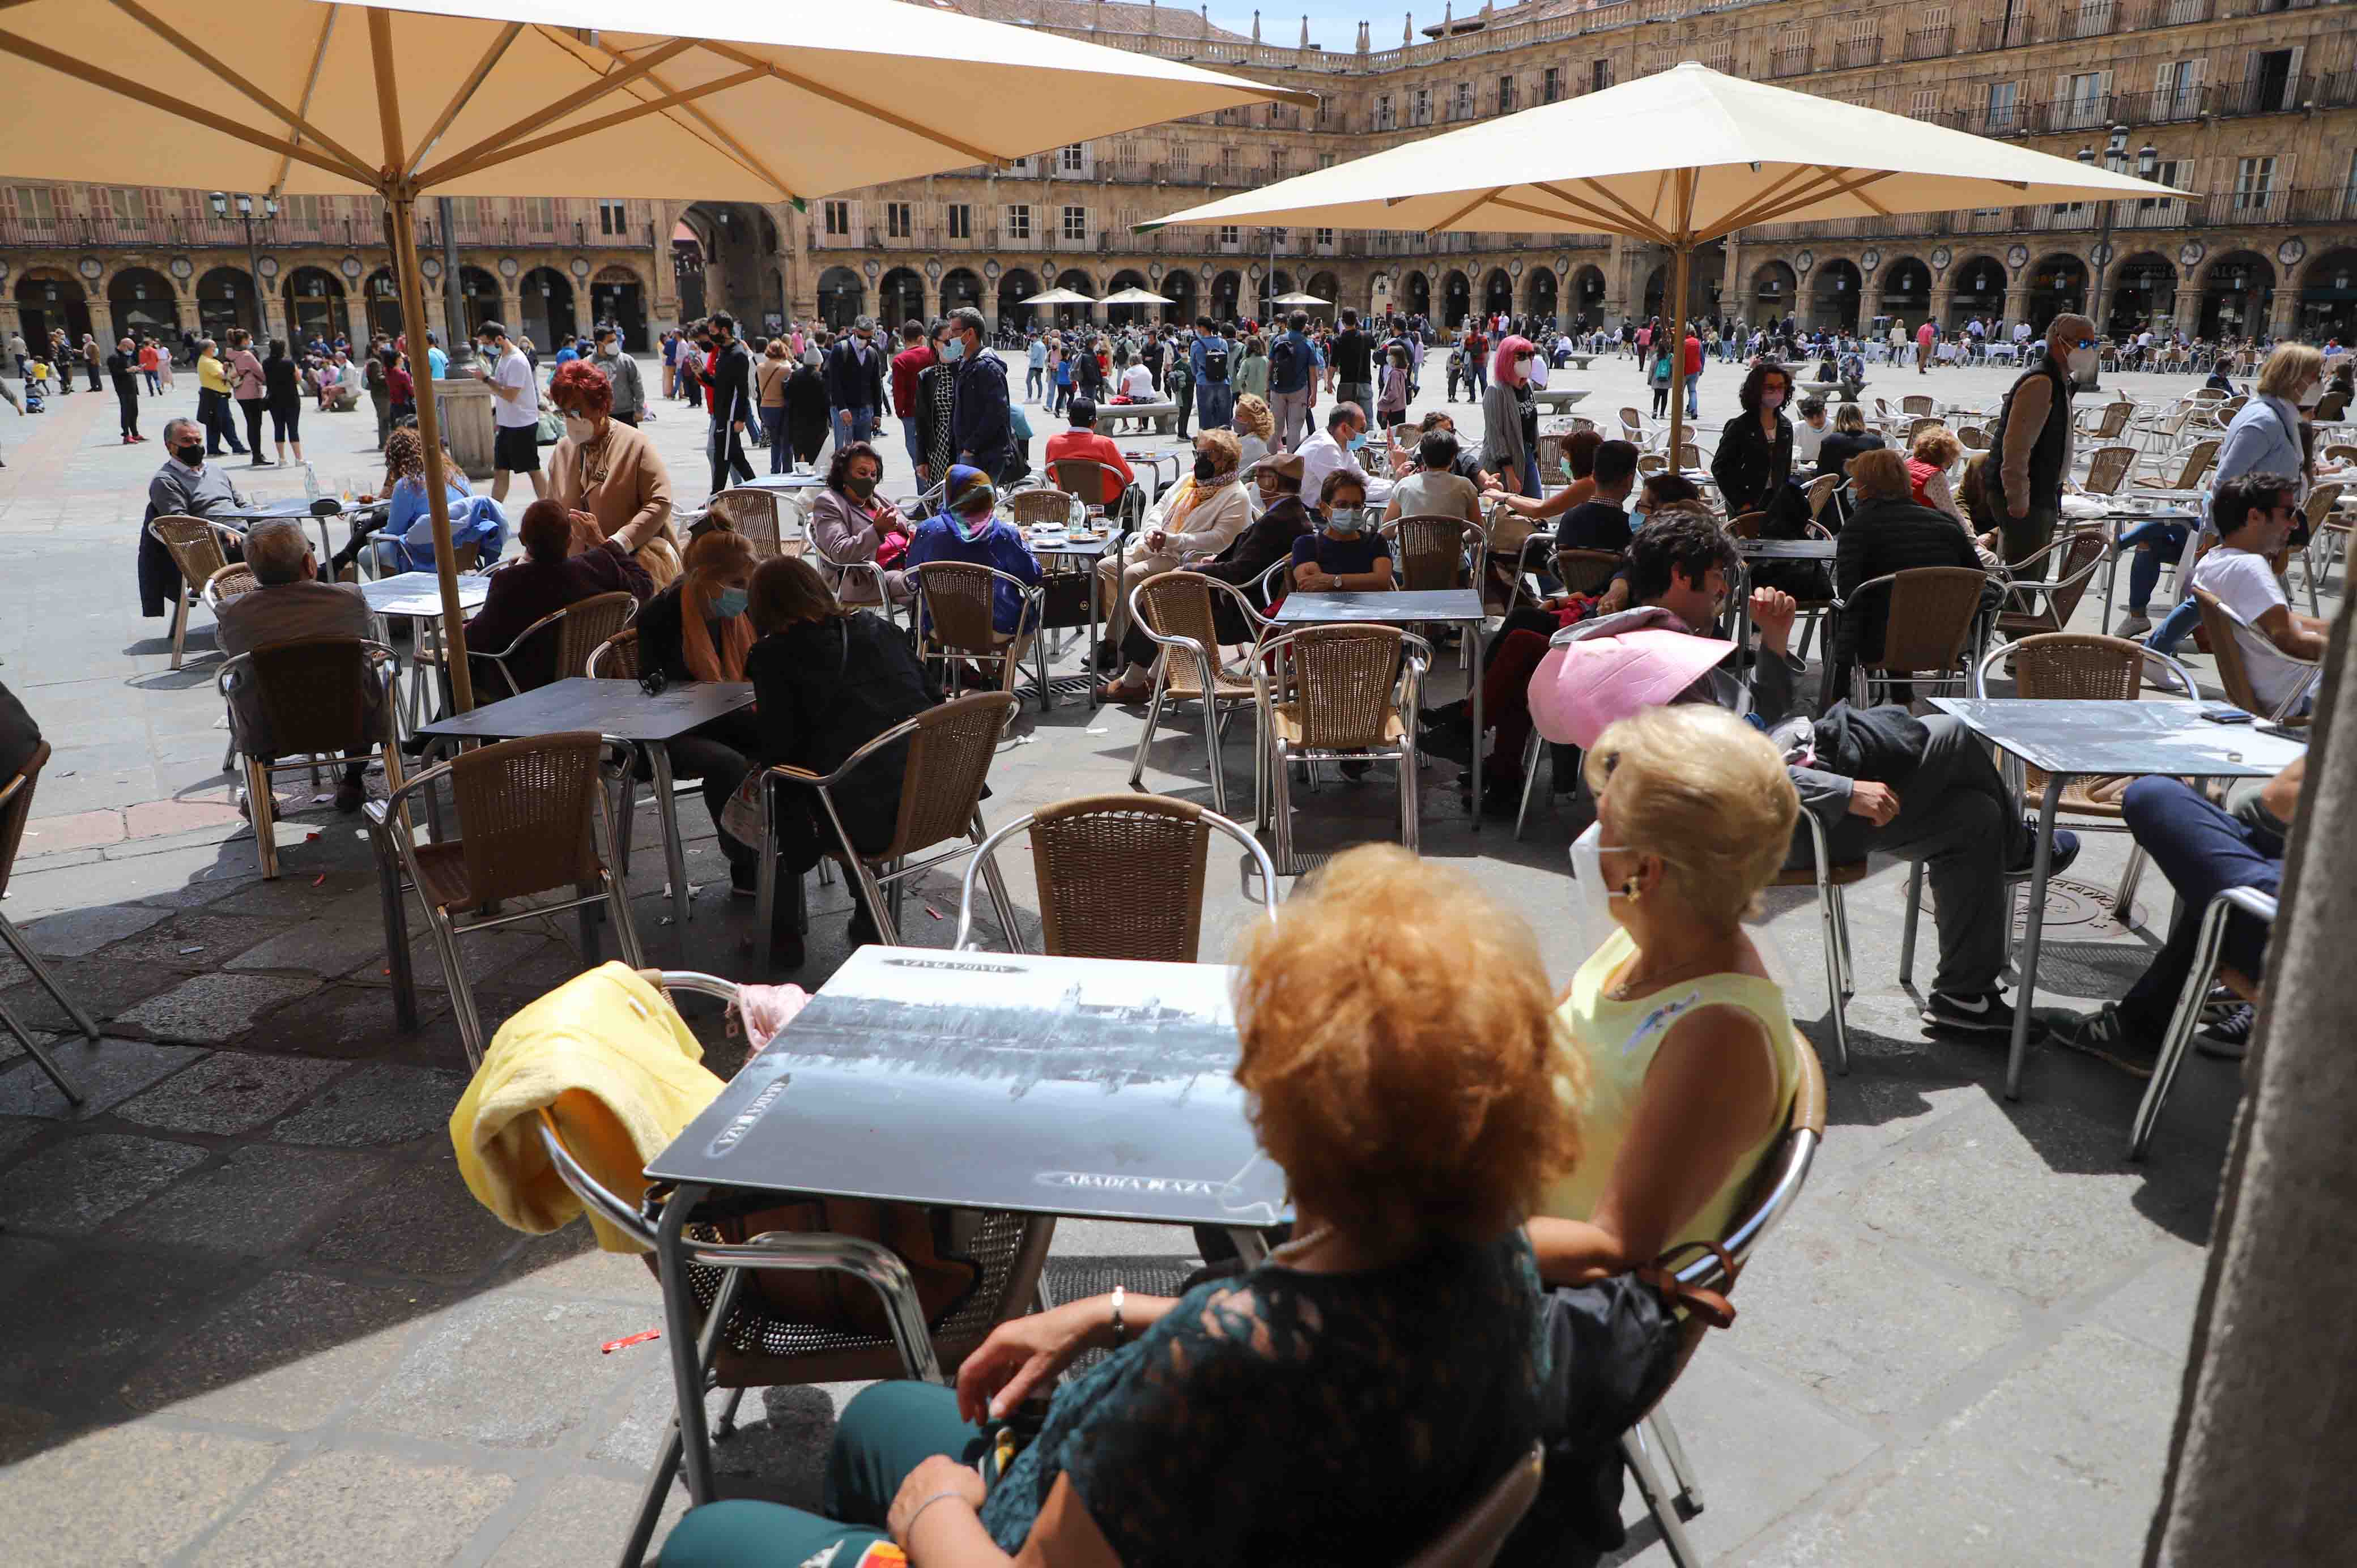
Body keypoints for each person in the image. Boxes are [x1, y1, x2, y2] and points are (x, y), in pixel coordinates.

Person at [658, 842, 1575, 1568]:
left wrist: (934, 1505)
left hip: (1015, 1534)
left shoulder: (1204, 1374)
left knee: (710, 1538)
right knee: (877, 1417)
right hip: (1247, 1507)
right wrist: (1113, 1308)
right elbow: (1342, 1330)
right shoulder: (1494, 1263)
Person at [1547, 512, 2072, 1037]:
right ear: (1683, 575)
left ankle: (1966, 998)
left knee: (1971, 818)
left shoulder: (1659, 642)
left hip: (1775, 802)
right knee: (1952, 735)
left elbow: (1753, 726)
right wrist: (1842, 790)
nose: (1724, 594)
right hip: (1764, 830)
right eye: (1716, 582)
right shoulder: (1652, 663)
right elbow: (1717, 777)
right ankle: (2023, 849)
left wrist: (1774, 641)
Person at [1525, 705, 1802, 1281]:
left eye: (1603, 825)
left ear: (1644, 872)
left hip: (1537, 1304)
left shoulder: (1715, 1036)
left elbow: (1610, 1247)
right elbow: (1529, 1047)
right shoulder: (1639, 945)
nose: (1591, 839)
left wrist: (1423, 1240)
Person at [2053, 759, 2303, 1075]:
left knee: (2151, 794)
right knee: (2247, 833)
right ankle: (2139, 1025)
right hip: (2316, 911)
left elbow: (2278, 798)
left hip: (2302, 937)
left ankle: (2142, 1027)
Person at [743, 556, 935, 965]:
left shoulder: (775, 656)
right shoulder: (882, 629)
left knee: (776, 790)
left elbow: (780, 750)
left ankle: (782, 936)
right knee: (844, 773)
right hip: (935, 797)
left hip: (865, 818)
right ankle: (867, 908)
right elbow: (934, 702)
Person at [2143, 343, 2323, 655]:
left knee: (2222, 597)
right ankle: (2156, 650)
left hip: (2265, 526)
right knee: (2218, 597)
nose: (2321, 382)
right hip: (2246, 525)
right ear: (2294, 378)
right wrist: (2214, 531)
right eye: (2315, 376)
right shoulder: (2263, 421)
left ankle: (2158, 651)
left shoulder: (2279, 417)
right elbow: (2226, 478)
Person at [1098, 449, 1316, 703]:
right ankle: (1157, 677)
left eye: (1261, 477)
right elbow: (1248, 563)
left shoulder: (1277, 520)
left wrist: (1196, 570)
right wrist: (1214, 562)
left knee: (1161, 597)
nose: (1257, 482)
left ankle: (1133, 683)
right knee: (1172, 591)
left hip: (1241, 613)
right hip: (1248, 601)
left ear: (1272, 483)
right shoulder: (1291, 514)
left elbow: (1239, 573)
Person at [214, 519, 378, 813]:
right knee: (363, 676)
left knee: (243, 686)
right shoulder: (348, 599)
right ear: (310, 563)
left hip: (270, 729)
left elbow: (229, 650)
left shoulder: (234, 613)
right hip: (353, 721)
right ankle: (353, 780)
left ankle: (263, 790)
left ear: (254, 572)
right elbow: (371, 634)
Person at [633, 529, 765, 892]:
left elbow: (758, 665)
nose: (743, 591)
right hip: (672, 729)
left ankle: (778, 850)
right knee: (729, 764)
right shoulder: (660, 616)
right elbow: (658, 691)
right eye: (736, 582)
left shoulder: (741, 613)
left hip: (728, 715)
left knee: (786, 739)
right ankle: (745, 863)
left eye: (747, 583)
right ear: (704, 578)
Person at [462, 498, 652, 693]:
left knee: (457, 662)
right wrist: (602, 542)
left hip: (523, 690)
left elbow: (473, 641)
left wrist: (463, 627)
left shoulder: (509, 582)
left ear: (522, 540)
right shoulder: (599, 566)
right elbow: (645, 584)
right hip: (589, 676)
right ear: (570, 540)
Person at [1830, 449, 1989, 675]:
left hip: (1882, 644)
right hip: (1949, 641)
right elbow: (1978, 578)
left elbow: (1849, 595)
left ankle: (1840, 696)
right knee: (1899, 612)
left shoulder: (1858, 528)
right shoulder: (1946, 525)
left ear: (1868, 486)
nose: (1853, 489)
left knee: (1841, 616)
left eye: (1855, 482)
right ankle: (1904, 699)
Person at [2183, 473, 2328, 718]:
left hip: (2283, 689)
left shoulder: (2214, 561)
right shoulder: (2250, 567)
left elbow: (2282, 622)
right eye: (2288, 513)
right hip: (2302, 694)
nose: (2294, 524)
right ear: (2255, 516)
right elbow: (2290, 640)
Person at [1094, 428, 1249, 651]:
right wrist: (1152, 530)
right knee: (1107, 566)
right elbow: (1159, 507)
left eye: (1206, 455)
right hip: (1156, 548)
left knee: (1131, 575)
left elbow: (1220, 540)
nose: (1199, 460)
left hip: (1188, 559)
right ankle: (1124, 635)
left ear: (1224, 459)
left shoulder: (1236, 495)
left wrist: (1172, 540)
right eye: (1198, 453)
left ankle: (1118, 646)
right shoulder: (1189, 481)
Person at [544, 358, 680, 587]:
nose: (570, 420)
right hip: (579, 575)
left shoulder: (635, 444)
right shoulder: (563, 450)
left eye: (576, 412)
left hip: (633, 574)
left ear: (600, 408)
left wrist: (619, 543)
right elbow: (552, 509)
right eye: (564, 413)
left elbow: (660, 500)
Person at [1983, 312, 2096, 564]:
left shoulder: (2060, 381)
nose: (2091, 350)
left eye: (2094, 344)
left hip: (2043, 492)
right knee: (2025, 576)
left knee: (2034, 570)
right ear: (2060, 341)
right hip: (2029, 496)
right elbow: (2016, 448)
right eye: (2085, 343)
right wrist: (2018, 499)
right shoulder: (2041, 383)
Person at [906, 466, 1043, 671]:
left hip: (941, 626)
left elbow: (913, 578)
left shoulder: (928, 530)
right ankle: (1000, 678)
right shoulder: (1004, 534)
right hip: (1000, 627)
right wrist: (1024, 547)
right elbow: (1032, 576)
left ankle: (989, 678)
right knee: (1031, 606)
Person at [139, 417, 250, 617]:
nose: (195, 446)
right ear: (170, 446)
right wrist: (223, 531)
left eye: (198, 441)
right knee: (275, 556)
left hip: (243, 534)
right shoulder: (165, 480)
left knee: (290, 536)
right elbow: (180, 525)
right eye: (187, 441)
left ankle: (299, 604)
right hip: (212, 547)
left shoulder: (216, 471)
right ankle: (261, 616)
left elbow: (241, 505)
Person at [807, 441, 913, 610]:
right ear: (844, 474)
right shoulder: (829, 503)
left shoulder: (876, 496)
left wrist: (915, 534)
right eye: (862, 473)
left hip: (906, 561)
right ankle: (926, 632)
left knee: (946, 575)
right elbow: (840, 552)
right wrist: (877, 531)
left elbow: (906, 524)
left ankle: (931, 632)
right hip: (867, 576)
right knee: (921, 585)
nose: (869, 479)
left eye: (873, 474)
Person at [1709, 362, 1797, 526]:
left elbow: (1784, 469)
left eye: (1781, 387)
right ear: (1757, 390)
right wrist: (1741, 503)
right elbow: (1720, 467)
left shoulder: (1786, 426)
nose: (1776, 392)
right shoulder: (1739, 426)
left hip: (1775, 504)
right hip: (1747, 503)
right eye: (1770, 387)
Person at [467, 320, 544, 504]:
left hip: (522, 424)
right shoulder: (504, 357)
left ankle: (549, 506)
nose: (486, 347)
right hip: (508, 424)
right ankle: (494, 512)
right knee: (501, 471)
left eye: (487, 343)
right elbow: (503, 386)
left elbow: (510, 394)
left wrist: (486, 379)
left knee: (532, 469)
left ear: (499, 339)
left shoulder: (516, 360)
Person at [942, 307, 1017, 487]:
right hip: (971, 452)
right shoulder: (966, 364)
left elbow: (997, 412)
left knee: (976, 509)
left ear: (970, 334)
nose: (949, 336)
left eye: (954, 331)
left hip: (984, 454)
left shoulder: (987, 367)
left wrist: (971, 447)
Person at [1291, 470, 1395, 593]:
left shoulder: (1376, 542)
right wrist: (1366, 581)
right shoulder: (1306, 545)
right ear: (1324, 509)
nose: (1350, 511)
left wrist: (1332, 581)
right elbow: (1311, 586)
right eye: (1342, 505)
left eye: (1357, 506)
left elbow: (1382, 582)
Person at [701, 312, 756, 493]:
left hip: (730, 416)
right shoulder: (723, 353)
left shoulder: (737, 354)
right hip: (721, 414)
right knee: (735, 458)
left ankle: (715, 497)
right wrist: (702, 374)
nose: (710, 335)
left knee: (722, 458)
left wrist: (740, 418)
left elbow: (742, 390)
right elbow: (720, 384)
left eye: (713, 331)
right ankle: (757, 491)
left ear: (724, 331)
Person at [1383, 429, 1483, 528]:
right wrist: (1463, 540)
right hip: (1452, 544)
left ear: (1423, 459)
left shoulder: (1404, 485)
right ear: (1453, 459)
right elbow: (1478, 532)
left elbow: (1386, 530)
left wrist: (1402, 534)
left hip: (1409, 544)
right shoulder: (1466, 486)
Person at [1483, 335, 1541, 497]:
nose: (1528, 360)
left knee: (1536, 504)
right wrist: (1509, 473)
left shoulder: (1528, 386)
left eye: (1531, 355)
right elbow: (1495, 435)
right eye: (1521, 356)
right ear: (1507, 359)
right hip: (1504, 462)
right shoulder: (1495, 391)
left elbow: (1532, 422)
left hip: (1527, 454)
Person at [1043, 397, 1135, 495]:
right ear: (1095, 422)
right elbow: (1128, 478)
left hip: (1069, 503)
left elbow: (1050, 474)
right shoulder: (1105, 444)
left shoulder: (1053, 443)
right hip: (1105, 505)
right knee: (1138, 495)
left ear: (1070, 420)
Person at [1296, 401, 1375, 517]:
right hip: (1311, 516)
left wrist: (1394, 484)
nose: (1364, 435)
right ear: (1344, 428)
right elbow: (1347, 492)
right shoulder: (1326, 447)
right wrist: (1395, 489)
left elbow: (1364, 480)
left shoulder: (1343, 446)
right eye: (1362, 429)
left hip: (1325, 511)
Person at [826, 316, 888, 458]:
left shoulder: (872, 353)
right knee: (844, 454)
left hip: (865, 410)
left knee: (864, 452)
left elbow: (876, 385)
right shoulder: (840, 350)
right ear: (854, 331)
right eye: (862, 337)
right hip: (844, 410)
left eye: (869, 338)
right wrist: (842, 408)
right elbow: (834, 383)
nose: (865, 341)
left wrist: (877, 414)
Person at [890, 318, 936, 478]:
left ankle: (923, 498)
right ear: (921, 337)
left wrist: (900, 412)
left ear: (904, 338)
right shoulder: (933, 355)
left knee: (918, 460)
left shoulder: (900, 361)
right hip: (935, 411)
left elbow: (898, 391)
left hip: (911, 413)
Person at [1267, 310, 1316, 451]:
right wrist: (1314, 394)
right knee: (1295, 427)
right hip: (1299, 389)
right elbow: (1313, 372)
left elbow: (1270, 365)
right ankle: (1291, 461)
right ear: (1304, 325)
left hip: (1277, 388)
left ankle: (1271, 459)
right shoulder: (1308, 343)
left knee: (1275, 427)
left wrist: (1268, 387)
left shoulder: (1278, 340)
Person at [1812, 402, 1887, 491]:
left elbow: (1822, 475)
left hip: (1838, 494)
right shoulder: (1877, 442)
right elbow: (1883, 474)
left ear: (1838, 420)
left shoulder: (1829, 442)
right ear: (1860, 419)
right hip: (1871, 492)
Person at [193, 338, 246, 458]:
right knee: (216, 423)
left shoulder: (212, 360)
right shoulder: (207, 362)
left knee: (225, 422)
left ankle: (232, 447)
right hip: (214, 397)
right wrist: (233, 373)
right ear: (207, 349)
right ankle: (217, 449)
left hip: (220, 396)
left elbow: (223, 370)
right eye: (214, 347)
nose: (216, 349)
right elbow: (222, 375)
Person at [783, 346, 832, 468]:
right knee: (815, 455)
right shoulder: (820, 378)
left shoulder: (795, 375)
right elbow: (826, 402)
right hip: (817, 424)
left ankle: (800, 479)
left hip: (797, 422)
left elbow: (787, 395)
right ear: (817, 362)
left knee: (800, 453)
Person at [226, 329, 270, 465]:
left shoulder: (230, 354)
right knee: (255, 425)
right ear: (244, 341)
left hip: (239, 392)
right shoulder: (247, 356)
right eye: (249, 339)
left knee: (251, 423)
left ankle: (257, 454)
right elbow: (261, 373)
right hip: (252, 392)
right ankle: (257, 455)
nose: (251, 341)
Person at [1329, 305, 1376, 428]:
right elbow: (1376, 347)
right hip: (1365, 383)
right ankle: (1366, 445)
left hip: (1346, 385)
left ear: (1343, 322)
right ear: (1357, 320)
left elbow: (1333, 365)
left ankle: (1351, 446)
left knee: (1347, 422)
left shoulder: (1338, 340)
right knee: (1367, 420)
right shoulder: (1366, 336)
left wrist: (1329, 381)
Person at [261, 339, 304, 469]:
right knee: (293, 428)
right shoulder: (289, 363)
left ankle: (282, 459)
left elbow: (265, 379)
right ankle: (299, 459)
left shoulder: (266, 363)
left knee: (278, 427)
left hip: (274, 400)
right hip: (291, 399)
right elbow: (298, 379)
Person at [754, 337, 794, 474]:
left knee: (775, 442)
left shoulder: (760, 367)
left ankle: (775, 471)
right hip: (780, 407)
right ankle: (787, 471)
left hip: (765, 408)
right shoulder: (786, 369)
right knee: (786, 442)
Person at [590, 327, 645, 429]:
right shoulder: (588, 363)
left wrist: (639, 410)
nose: (615, 344)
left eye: (615, 340)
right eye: (611, 341)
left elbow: (637, 385)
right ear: (600, 344)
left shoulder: (626, 361)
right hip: (600, 416)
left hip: (626, 414)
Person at [1189, 317, 1233, 433]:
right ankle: (1226, 445)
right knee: (1224, 420)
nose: (1196, 329)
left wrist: (1199, 375)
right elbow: (1226, 362)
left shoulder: (1196, 344)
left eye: (1197, 327)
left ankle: (1208, 447)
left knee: (1206, 419)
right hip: (1223, 382)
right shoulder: (1223, 342)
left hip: (1204, 383)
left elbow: (1193, 367)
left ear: (1203, 328)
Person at [106, 336, 143, 445]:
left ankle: (135, 433)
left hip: (132, 388)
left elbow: (129, 368)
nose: (131, 351)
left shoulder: (126, 356)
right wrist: (128, 370)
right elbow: (115, 372)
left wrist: (135, 368)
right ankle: (126, 435)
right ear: (124, 346)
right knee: (126, 412)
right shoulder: (114, 357)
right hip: (123, 389)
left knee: (134, 412)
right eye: (130, 349)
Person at [1229, 394, 1274, 474]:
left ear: (1253, 420)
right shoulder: (1247, 437)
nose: (1234, 419)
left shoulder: (1254, 443)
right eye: (1235, 415)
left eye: (1239, 416)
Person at [1792, 395, 1830, 466]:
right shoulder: (1796, 429)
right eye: (1810, 418)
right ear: (1805, 418)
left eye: (1819, 415)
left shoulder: (1835, 428)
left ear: (1826, 412)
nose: (1816, 421)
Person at [1024, 331, 1048, 403]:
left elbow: (1034, 356)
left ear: (1034, 337)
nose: (1031, 340)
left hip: (1034, 366)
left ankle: (1029, 398)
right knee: (1039, 382)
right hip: (1040, 366)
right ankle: (1039, 398)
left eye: (1031, 338)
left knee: (1028, 381)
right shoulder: (1042, 345)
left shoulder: (1036, 345)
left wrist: (1028, 355)